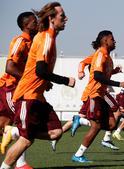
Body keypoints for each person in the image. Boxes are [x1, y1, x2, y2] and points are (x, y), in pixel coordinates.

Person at [1, 2, 75, 169]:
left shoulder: (47, 37)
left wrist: (45, 82)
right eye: (62, 16)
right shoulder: (45, 38)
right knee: (26, 139)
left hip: (37, 97)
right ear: (51, 18)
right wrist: (65, 80)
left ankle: (13, 132)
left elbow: (38, 71)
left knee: (56, 133)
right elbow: (40, 70)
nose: (66, 19)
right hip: (26, 96)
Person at [72, 30, 124, 163]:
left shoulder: (108, 57)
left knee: (111, 125)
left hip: (101, 95)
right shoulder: (100, 54)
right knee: (96, 126)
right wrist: (118, 83)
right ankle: (78, 155)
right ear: (105, 40)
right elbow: (97, 76)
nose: (115, 41)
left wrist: (114, 71)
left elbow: (103, 75)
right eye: (112, 39)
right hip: (94, 94)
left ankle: (81, 121)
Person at [0, 11, 37, 169]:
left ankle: (20, 164)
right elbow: (9, 67)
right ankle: (20, 165)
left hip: (19, 88)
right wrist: (29, 79)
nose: (37, 24)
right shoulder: (20, 41)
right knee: (23, 124)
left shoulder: (33, 42)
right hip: (10, 88)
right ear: (26, 25)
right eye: (34, 22)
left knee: (4, 126)